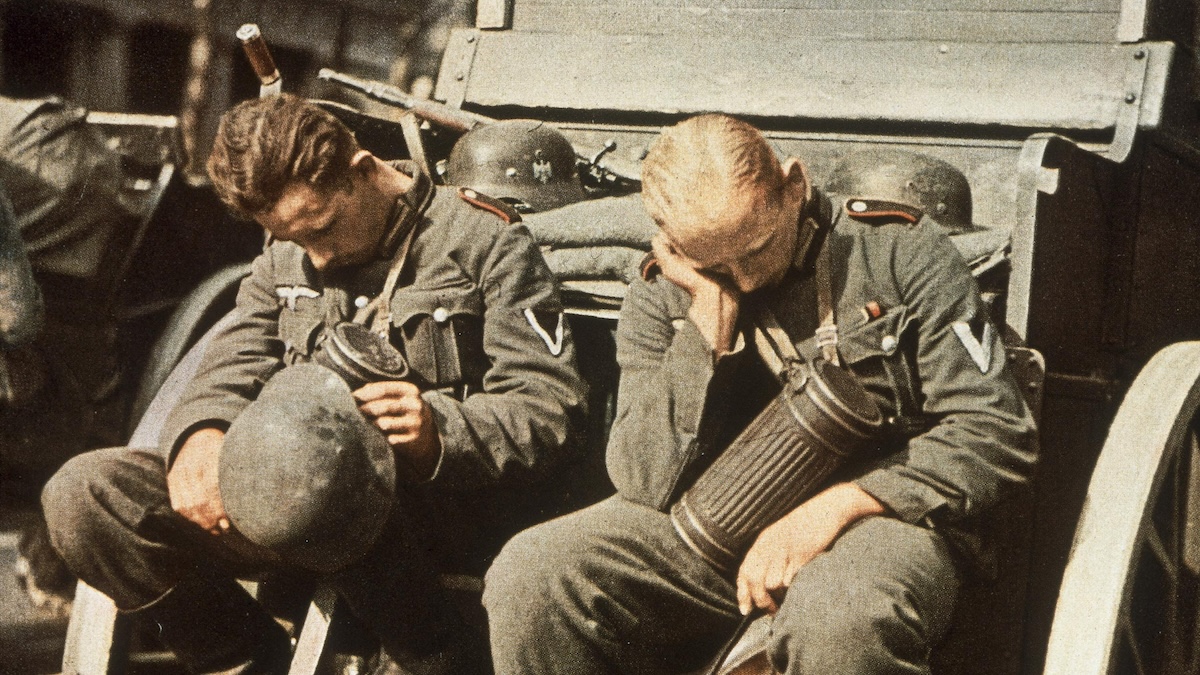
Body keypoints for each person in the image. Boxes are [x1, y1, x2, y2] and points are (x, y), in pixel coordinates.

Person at [42, 93, 587, 674]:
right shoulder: (288, 253)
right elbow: (235, 358)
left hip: (418, 525)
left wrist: (438, 429)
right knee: (86, 496)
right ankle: (244, 661)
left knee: (329, 482)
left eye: (323, 228)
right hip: (287, 503)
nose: (317, 259)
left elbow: (548, 406)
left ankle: (433, 657)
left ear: (363, 170)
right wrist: (202, 433)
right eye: (296, 239)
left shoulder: (484, 242)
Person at [483, 114, 1037, 674]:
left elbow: (993, 428)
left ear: (794, 186)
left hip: (886, 519)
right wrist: (705, 326)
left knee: (840, 616)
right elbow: (641, 479)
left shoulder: (897, 251)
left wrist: (837, 506)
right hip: (720, 522)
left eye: (756, 249)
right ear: (668, 240)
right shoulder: (664, 291)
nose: (744, 280)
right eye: (715, 265)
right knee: (533, 574)